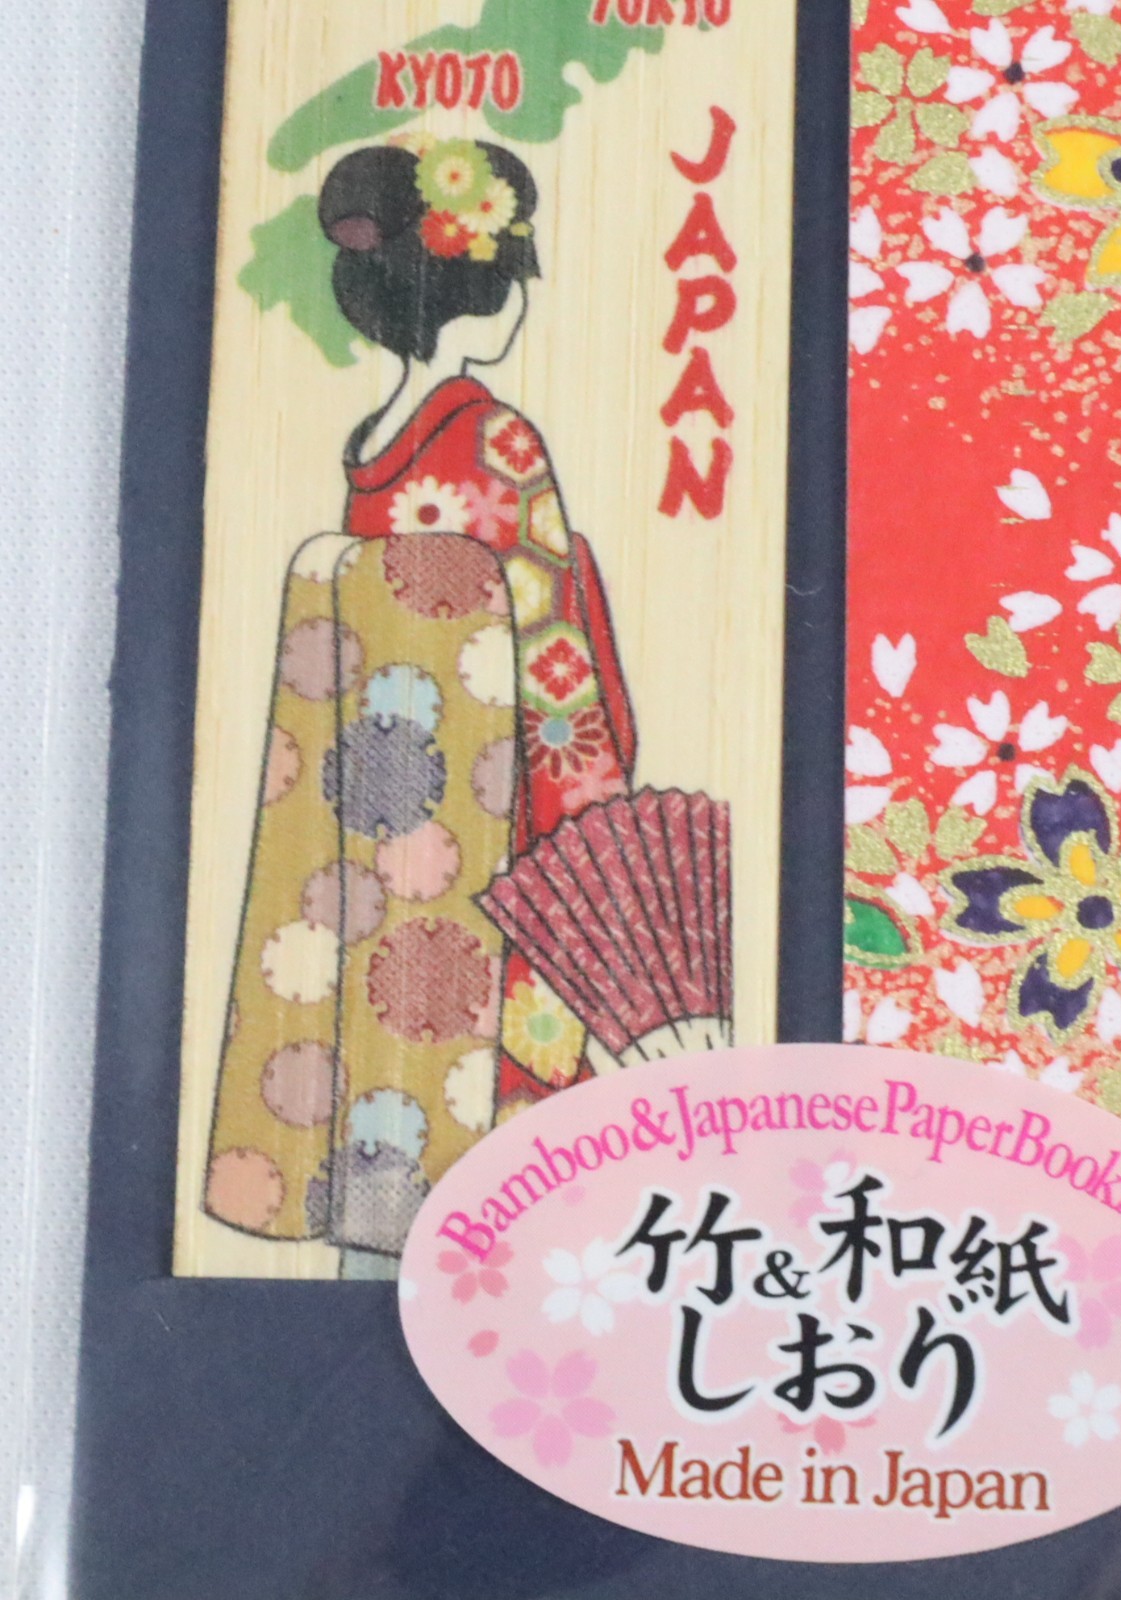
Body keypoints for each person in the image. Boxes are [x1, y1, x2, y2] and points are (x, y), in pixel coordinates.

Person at [203, 137, 635, 1277]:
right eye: (516, 279)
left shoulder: (375, 450)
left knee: (386, 1058)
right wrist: (597, 820)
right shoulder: (495, 438)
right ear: (483, 297)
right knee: (489, 1102)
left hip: (381, 815)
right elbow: (551, 645)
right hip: (493, 821)